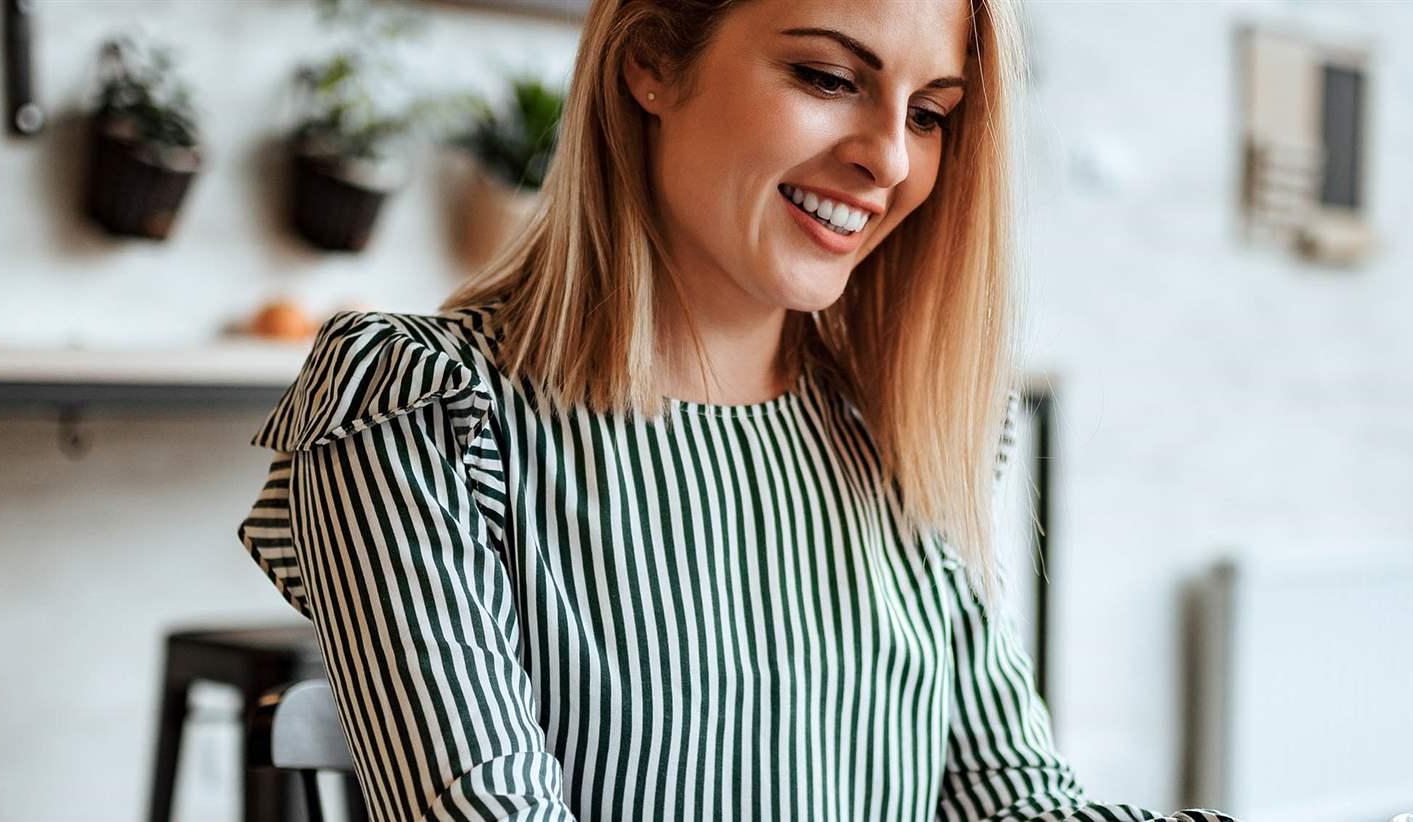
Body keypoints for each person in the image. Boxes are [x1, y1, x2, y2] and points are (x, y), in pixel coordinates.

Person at [237, 1, 1231, 818]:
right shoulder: (426, 412)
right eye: (829, 79)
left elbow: (1015, 808)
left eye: (928, 114)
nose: (887, 160)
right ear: (652, 62)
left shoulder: (889, 435)